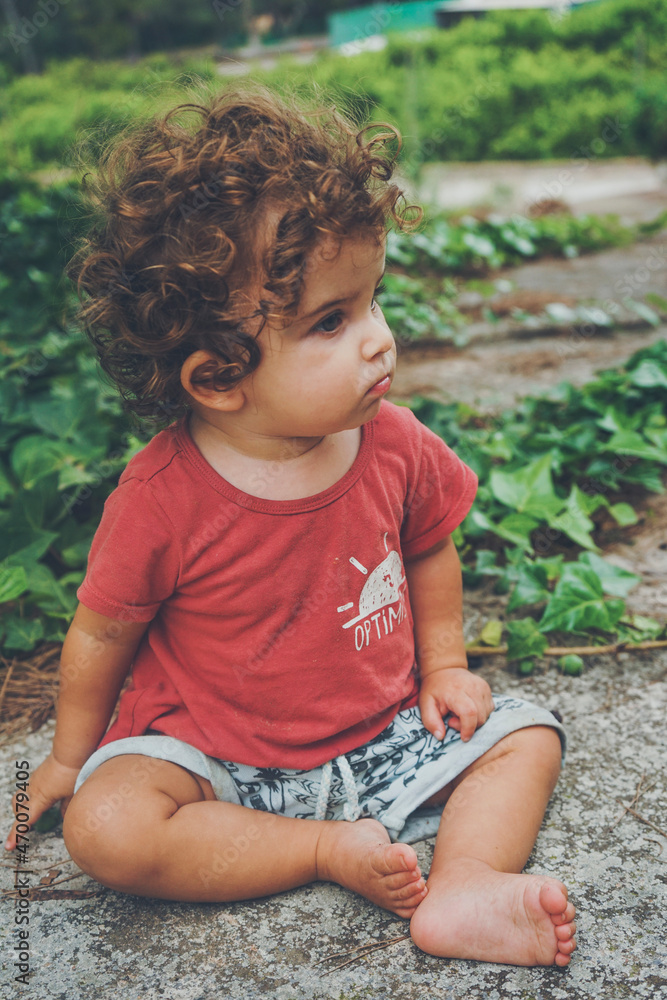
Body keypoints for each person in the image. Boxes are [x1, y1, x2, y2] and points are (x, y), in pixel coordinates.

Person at [6, 83, 576, 967]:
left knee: (527, 735)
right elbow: (102, 633)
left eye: (372, 299)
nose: (377, 338)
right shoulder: (161, 497)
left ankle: (464, 882)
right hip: (217, 765)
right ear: (217, 378)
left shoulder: (391, 441)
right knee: (106, 826)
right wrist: (66, 759)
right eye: (330, 322)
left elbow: (428, 545)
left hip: (384, 736)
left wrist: (446, 666)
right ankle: (319, 851)